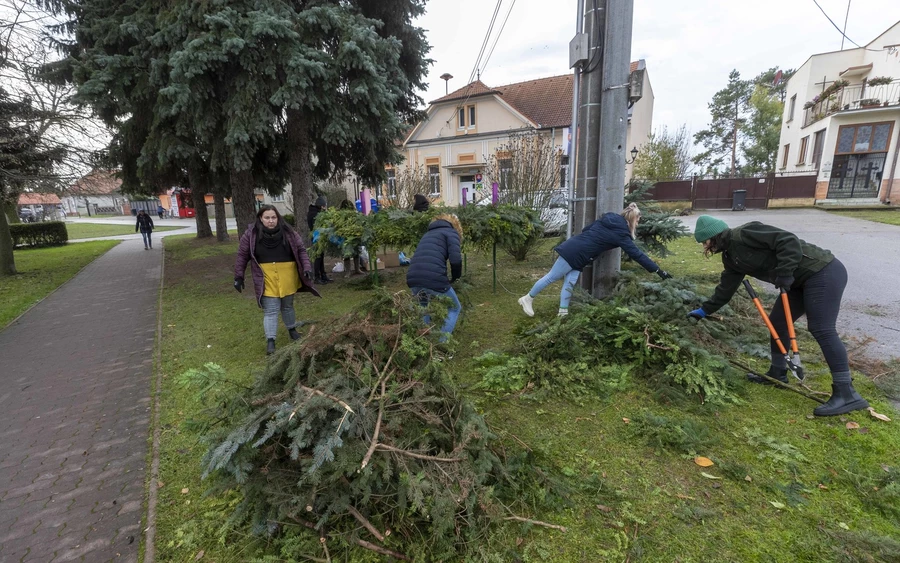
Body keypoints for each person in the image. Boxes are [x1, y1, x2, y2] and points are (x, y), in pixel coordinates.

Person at [688, 215, 868, 417]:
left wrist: (784, 271)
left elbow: (787, 241)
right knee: (778, 323)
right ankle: (778, 372)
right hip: (796, 282)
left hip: (822, 271)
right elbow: (726, 289)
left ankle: (847, 393)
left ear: (715, 236)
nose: (706, 247)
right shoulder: (731, 257)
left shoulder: (745, 233)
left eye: (706, 241)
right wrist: (704, 311)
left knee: (821, 328)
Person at [518, 203, 672, 318]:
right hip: (574, 252)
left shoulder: (607, 219)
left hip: (580, 253)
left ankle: (562, 313)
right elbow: (637, 254)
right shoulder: (622, 234)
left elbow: (586, 230)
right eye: (637, 221)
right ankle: (527, 298)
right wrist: (657, 270)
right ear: (632, 220)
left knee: (570, 283)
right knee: (552, 277)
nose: (637, 225)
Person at [233, 205, 321, 355]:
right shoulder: (251, 235)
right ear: (261, 218)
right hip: (266, 277)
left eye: (273, 217)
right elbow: (242, 256)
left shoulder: (289, 233)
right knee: (271, 310)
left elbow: (301, 250)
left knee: (287, 306)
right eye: (267, 218)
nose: (271, 221)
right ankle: (271, 341)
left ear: (277, 218)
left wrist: (307, 268)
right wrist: (238, 276)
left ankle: (292, 330)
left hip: (287, 275)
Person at [406, 214, 463, 341]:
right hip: (433, 277)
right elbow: (455, 260)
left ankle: (423, 342)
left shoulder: (427, 235)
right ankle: (440, 345)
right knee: (454, 307)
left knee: (423, 305)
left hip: (413, 276)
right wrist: (455, 277)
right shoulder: (451, 233)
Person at [307, 196, 331, 284]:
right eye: (324, 206)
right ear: (321, 206)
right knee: (318, 257)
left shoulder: (315, 212)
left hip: (319, 237)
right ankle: (317, 277)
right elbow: (316, 226)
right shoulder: (314, 214)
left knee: (321, 257)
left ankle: (323, 275)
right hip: (316, 238)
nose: (325, 208)